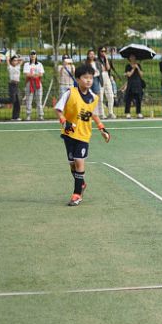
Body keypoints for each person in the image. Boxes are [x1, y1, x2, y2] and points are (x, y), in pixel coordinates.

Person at [53, 64, 111, 206]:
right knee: (72, 164)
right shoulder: (70, 93)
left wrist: (102, 128)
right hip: (69, 133)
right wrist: (64, 121)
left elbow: (93, 114)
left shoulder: (94, 97)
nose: (89, 80)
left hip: (84, 135)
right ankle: (82, 183)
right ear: (78, 79)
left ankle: (77, 194)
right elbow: (58, 109)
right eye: (85, 78)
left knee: (79, 161)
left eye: (91, 78)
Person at [23, 50, 45, 120]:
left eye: (34, 54)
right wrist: (35, 75)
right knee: (29, 100)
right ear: (29, 56)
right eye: (31, 54)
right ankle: (28, 115)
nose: (33, 55)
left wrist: (33, 75)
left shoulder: (39, 64)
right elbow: (26, 74)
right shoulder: (26, 64)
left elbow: (41, 74)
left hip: (38, 83)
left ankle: (40, 115)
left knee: (39, 100)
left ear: (36, 55)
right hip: (29, 83)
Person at [97, 47, 116, 119]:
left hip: (107, 77)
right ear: (99, 52)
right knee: (100, 97)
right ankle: (102, 113)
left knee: (110, 95)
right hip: (100, 78)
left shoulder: (106, 60)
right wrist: (103, 68)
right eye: (102, 51)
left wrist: (107, 59)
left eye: (105, 51)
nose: (104, 52)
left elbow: (108, 68)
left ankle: (110, 112)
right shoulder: (97, 60)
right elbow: (100, 69)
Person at [124, 54, 144, 119]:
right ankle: (128, 113)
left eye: (134, 56)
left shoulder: (139, 65)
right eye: (131, 57)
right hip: (130, 84)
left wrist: (137, 68)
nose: (132, 58)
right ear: (129, 58)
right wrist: (133, 68)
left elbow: (141, 75)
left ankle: (139, 113)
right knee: (128, 99)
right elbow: (129, 75)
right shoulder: (128, 66)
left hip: (138, 84)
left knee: (138, 99)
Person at [84, 49, 103, 118]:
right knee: (87, 95)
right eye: (90, 54)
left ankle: (97, 112)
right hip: (88, 79)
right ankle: (88, 111)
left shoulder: (97, 63)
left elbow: (101, 71)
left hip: (96, 79)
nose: (92, 55)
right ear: (88, 55)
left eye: (93, 54)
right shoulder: (85, 63)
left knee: (96, 95)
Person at [7, 55, 24, 120]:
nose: (16, 61)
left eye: (16, 61)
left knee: (17, 102)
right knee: (13, 99)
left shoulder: (18, 67)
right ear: (11, 62)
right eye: (14, 60)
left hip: (16, 85)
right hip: (12, 84)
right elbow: (7, 59)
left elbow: (22, 60)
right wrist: (8, 58)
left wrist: (18, 58)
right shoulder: (10, 67)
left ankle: (15, 117)